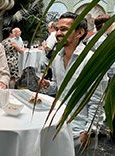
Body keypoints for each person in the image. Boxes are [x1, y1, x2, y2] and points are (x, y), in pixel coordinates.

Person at [40, 12, 108, 156]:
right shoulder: (58, 58)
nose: (58, 33)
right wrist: (47, 85)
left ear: (80, 33)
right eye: (57, 29)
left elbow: (97, 99)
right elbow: (59, 88)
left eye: (63, 29)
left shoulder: (90, 60)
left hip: (80, 132)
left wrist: (89, 131)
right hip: (59, 125)